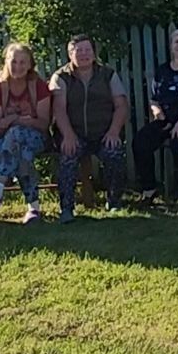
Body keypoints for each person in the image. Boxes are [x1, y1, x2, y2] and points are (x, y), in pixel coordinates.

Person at [50, 35, 129, 222]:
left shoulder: (108, 75)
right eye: (78, 50)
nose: (84, 54)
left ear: (94, 53)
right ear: (70, 54)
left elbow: (121, 105)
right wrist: (68, 135)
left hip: (103, 133)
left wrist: (114, 131)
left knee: (114, 153)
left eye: (87, 50)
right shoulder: (61, 77)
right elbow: (58, 109)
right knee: (68, 156)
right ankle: (67, 208)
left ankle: (114, 202)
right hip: (73, 133)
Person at [132, 28, 178, 205]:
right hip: (165, 120)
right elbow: (154, 99)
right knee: (141, 141)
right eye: (177, 42)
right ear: (171, 46)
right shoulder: (163, 70)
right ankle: (149, 189)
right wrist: (158, 114)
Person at [0, 42, 51, 225]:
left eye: (23, 62)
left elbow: (43, 124)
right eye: (13, 62)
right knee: (23, 155)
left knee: (17, 132)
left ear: (30, 65)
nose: (18, 67)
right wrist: (17, 121)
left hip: (35, 137)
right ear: (6, 62)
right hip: (3, 143)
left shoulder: (38, 86)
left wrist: (15, 119)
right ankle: (34, 208)